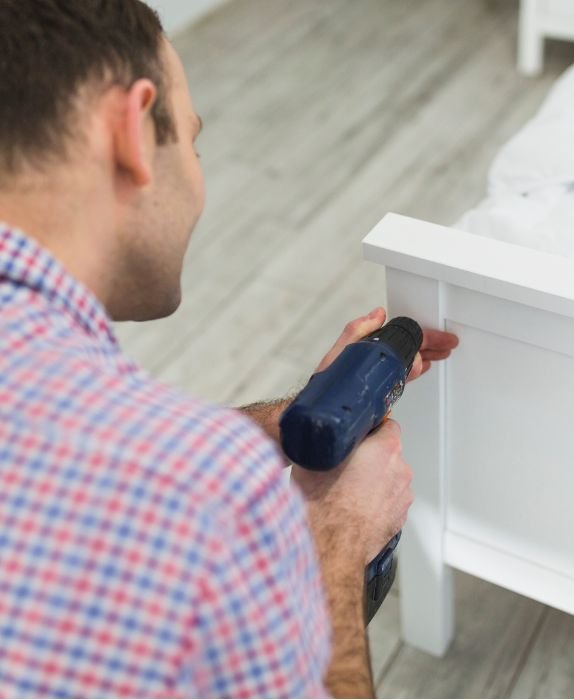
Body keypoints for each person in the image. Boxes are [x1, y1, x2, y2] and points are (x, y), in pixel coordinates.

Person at [0, 1, 458, 697]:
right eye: (191, 139)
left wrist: (283, 421)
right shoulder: (206, 491)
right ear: (130, 129)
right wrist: (335, 546)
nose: (197, 171)